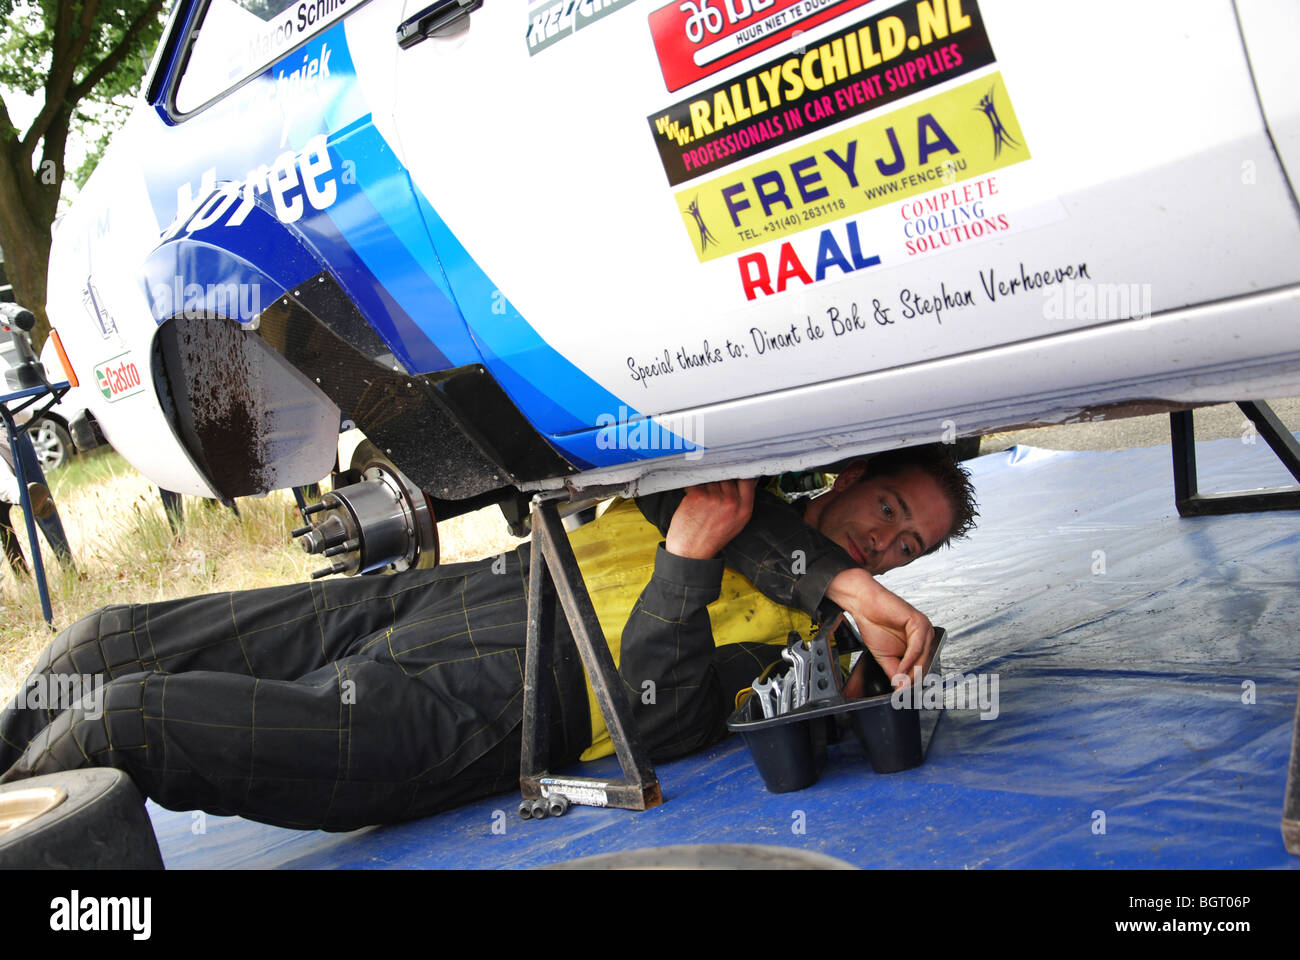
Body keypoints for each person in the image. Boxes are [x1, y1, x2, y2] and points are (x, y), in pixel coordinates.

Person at [0, 445, 976, 831]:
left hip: (495, 710)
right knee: (103, 638)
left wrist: (686, 567)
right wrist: (831, 570)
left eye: (907, 545)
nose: (887, 542)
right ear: (846, 477)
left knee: (129, 719)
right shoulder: (747, 487)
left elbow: (660, 724)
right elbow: (698, 488)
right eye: (889, 507)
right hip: (445, 600)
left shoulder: (802, 648)